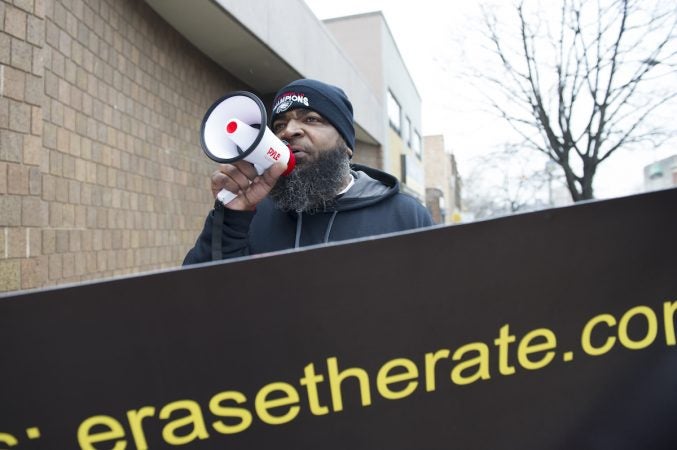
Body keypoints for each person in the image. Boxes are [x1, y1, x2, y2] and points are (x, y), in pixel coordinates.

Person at [183, 79, 433, 265]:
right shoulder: (252, 214)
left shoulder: (405, 216)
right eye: (279, 125)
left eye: (311, 119)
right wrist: (230, 217)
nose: (289, 131)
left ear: (346, 144)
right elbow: (202, 301)